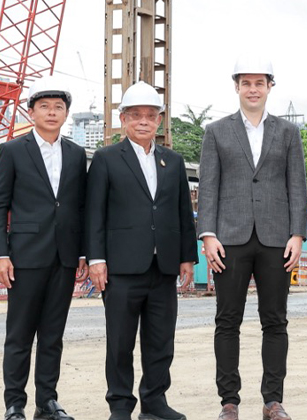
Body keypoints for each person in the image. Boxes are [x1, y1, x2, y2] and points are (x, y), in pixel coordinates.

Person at [197, 57, 307, 420]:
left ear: (270, 86)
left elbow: (296, 185)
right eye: (246, 83)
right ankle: (229, 402)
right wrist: (208, 235)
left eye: (260, 82)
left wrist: (298, 234)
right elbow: (208, 186)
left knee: (275, 320)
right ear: (237, 87)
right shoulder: (216, 131)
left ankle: (273, 401)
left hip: (277, 239)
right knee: (227, 320)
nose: (253, 89)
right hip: (229, 239)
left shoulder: (288, 132)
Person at [85, 81, 197, 420]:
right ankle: (120, 405)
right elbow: (94, 213)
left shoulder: (172, 161)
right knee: (120, 341)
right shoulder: (106, 159)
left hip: (163, 266)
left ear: (160, 120)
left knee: (161, 340)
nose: (144, 121)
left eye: (151, 115)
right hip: (121, 268)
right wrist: (96, 259)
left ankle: (154, 402)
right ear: (123, 119)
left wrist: (187, 257)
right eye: (136, 115)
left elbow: (183, 212)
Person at [0, 79, 88, 420]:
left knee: (52, 335)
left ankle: (47, 402)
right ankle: (14, 404)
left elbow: (79, 207)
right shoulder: (12, 150)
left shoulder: (76, 154)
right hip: (25, 256)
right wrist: (0, 254)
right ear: (31, 112)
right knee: (19, 335)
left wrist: (82, 252)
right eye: (44, 106)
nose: (51, 112)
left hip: (64, 256)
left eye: (58, 107)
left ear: (66, 114)